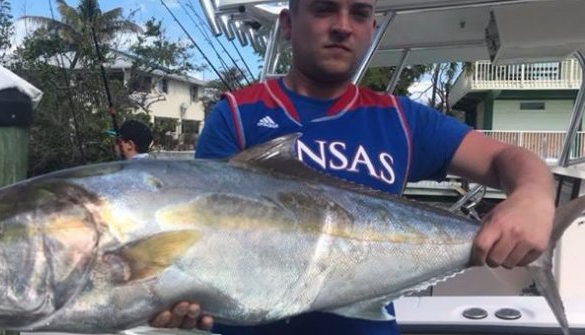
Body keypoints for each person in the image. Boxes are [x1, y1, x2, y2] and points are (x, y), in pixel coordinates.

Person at [149, 0, 556, 333]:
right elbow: (206, 240)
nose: (343, 26)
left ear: (371, 28)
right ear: (289, 24)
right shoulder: (237, 115)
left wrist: (534, 196)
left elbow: (510, 160)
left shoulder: (402, 119)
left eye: (358, 13)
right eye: (325, 8)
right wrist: (179, 295)